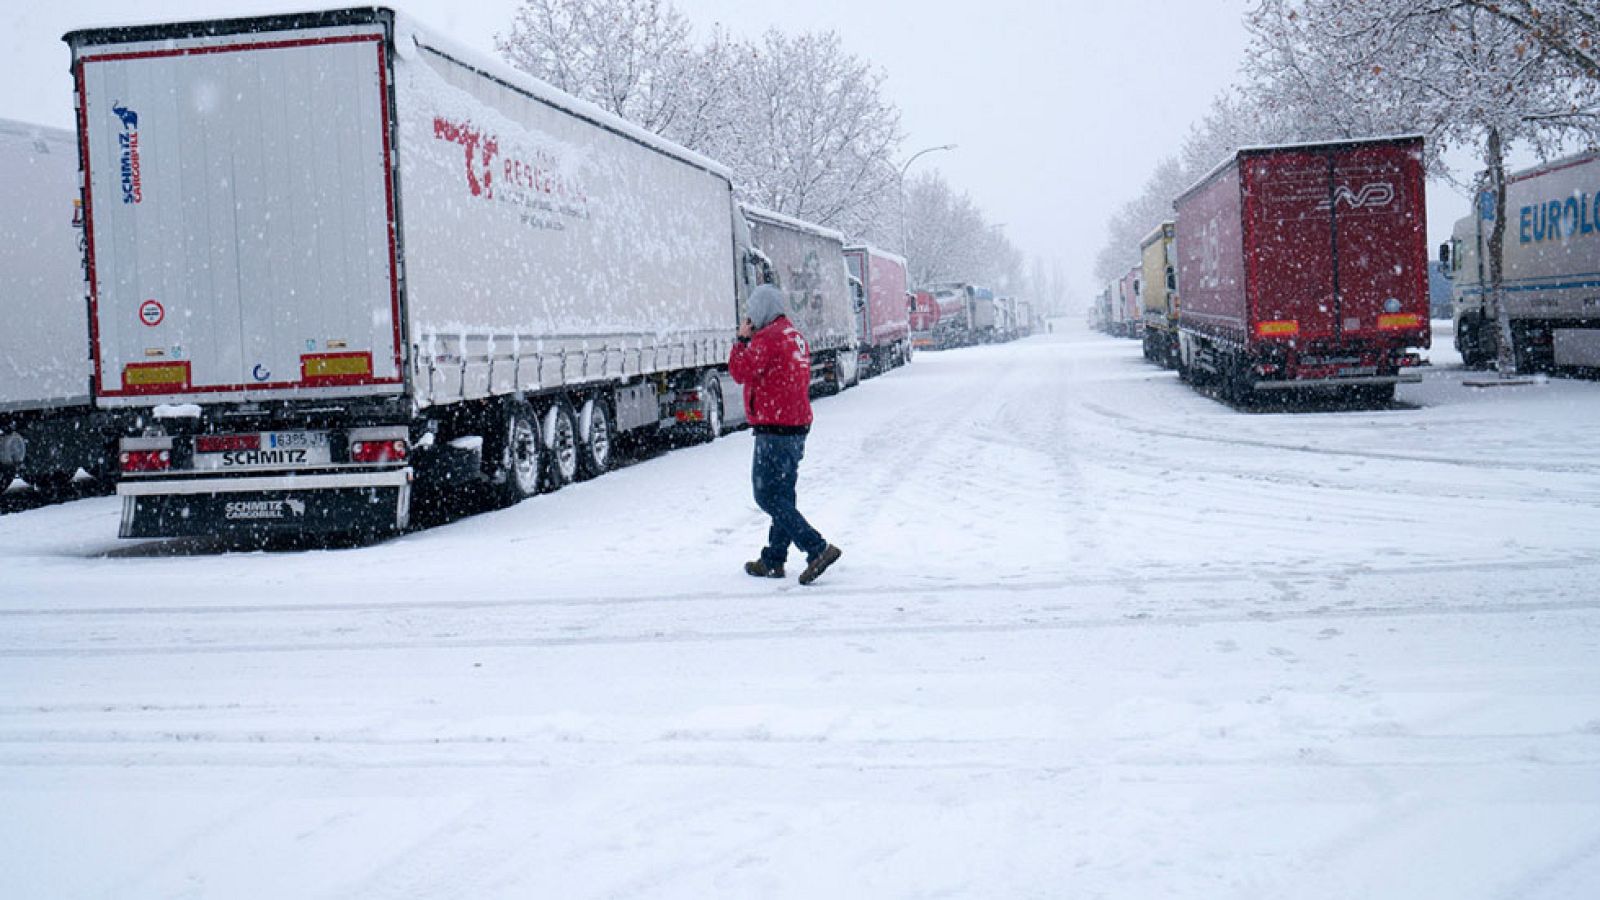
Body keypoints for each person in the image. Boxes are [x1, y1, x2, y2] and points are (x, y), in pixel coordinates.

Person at [728, 284, 842, 585]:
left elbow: (740, 372)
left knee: (766, 494)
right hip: (796, 426)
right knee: (784, 494)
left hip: (775, 429)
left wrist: (741, 339)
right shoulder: (793, 335)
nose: (749, 320)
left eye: (751, 314)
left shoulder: (767, 339)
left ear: (763, 310)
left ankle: (816, 548)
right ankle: (774, 559)